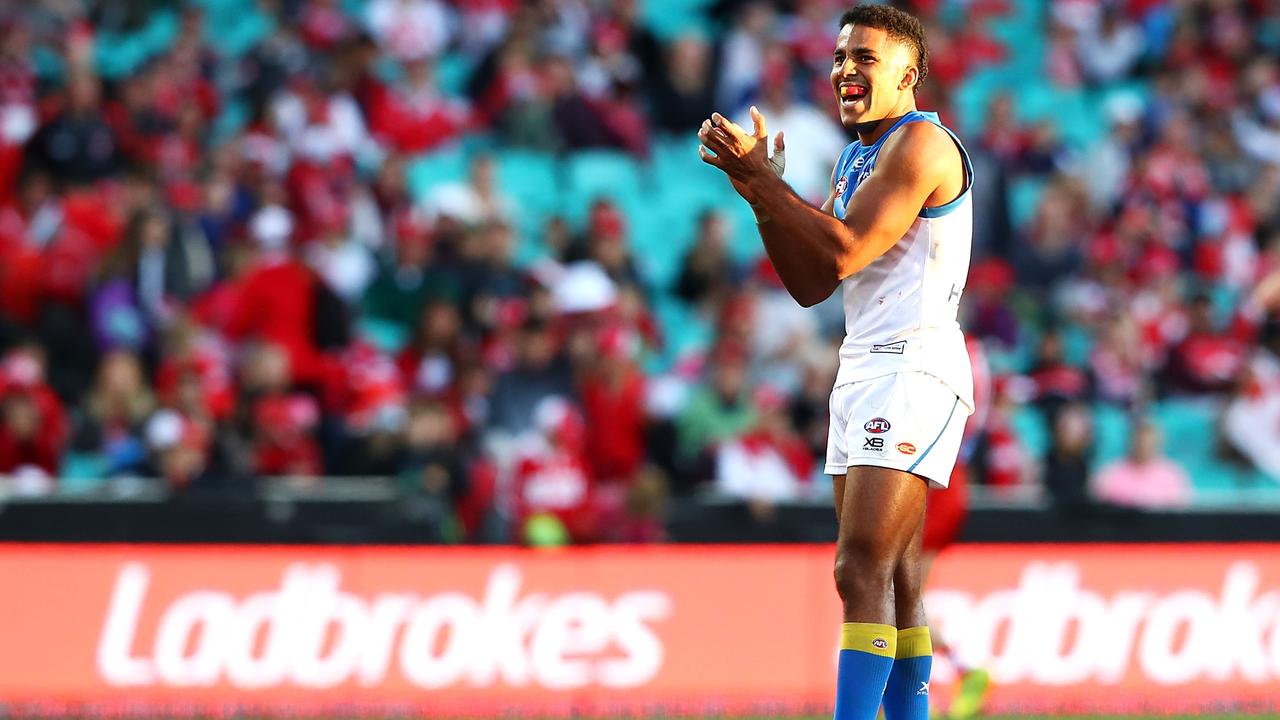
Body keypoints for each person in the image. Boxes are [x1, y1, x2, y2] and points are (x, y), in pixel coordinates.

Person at [697, 6, 973, 720]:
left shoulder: (921, 147)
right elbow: (813, 282)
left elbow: (846, 250)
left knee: (859, 568)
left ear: (909, 74)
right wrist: (759, 196)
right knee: (898, 577)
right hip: (863, 365)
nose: (846, 70)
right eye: (840, 56)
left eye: (866, 59)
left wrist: (766, 184)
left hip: (912, 366)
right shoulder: (858, 155)